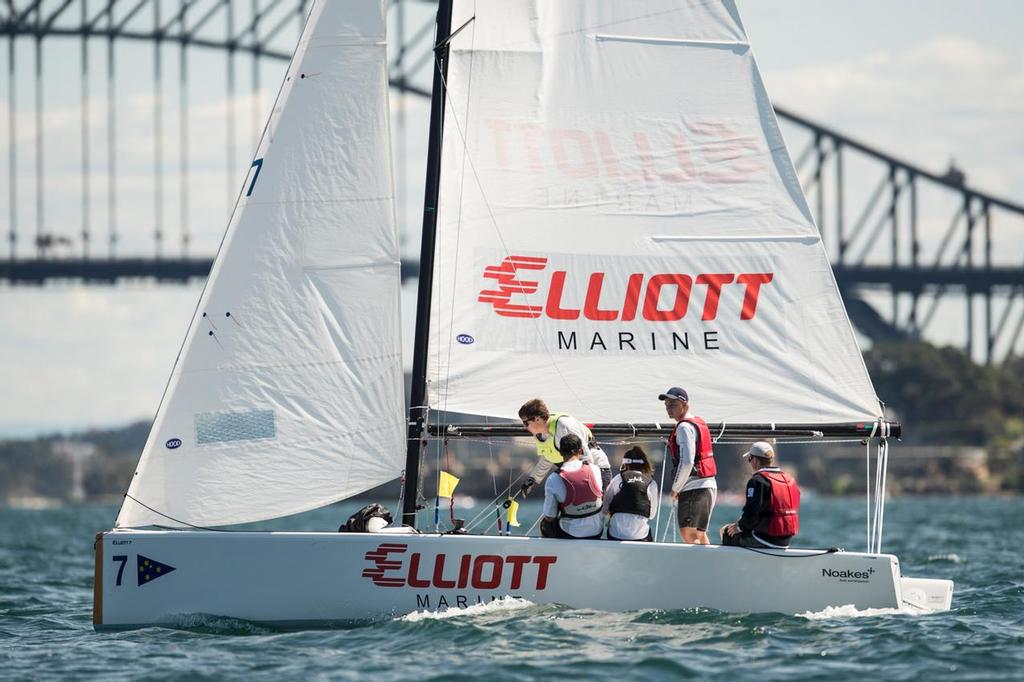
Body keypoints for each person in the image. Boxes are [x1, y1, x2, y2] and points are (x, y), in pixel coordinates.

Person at [518, 398, 612, 496]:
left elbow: (585, 457)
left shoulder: (565, 426)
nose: (525, 427)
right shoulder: (542, 434)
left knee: (598, 510)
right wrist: (533, 479)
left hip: (596, 470)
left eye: (526, 423)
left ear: (537, 419)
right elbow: (549, 457)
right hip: (575, 475)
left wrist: (586, 486)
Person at [659, 387, 717, 544]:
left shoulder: (684, 427)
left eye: (672, 405)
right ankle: (710, 566)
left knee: (689, 534)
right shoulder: (695, 423)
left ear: (684, 405)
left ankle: (700, 567)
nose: (668, 408)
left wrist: (676, 488)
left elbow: (687, 462)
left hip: (695, 487)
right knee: (698, 534)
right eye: (666, 405)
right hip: (706, 485)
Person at [720, 441, 800, 548]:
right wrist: (740, 523)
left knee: (726, 531)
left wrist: (738, 527)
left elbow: (751, 514)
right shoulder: (789, 479)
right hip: (785, 540)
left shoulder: (757, 481)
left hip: (764, 539)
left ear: (755, 460)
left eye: (750, 459)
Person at [539, 434, 605, 539]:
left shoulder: (553, 478)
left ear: (560, 452)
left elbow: (550, 516)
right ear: (581, 451)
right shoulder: (595, 469)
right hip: (597, 531)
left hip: (570, 533)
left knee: (545, 522)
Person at [603, 446, 658, 541]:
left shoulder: (618, 479)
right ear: (644, 464)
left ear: (625, 464)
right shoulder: (651, 483)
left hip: (616, 534)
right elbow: (652, 515)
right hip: (640, 536)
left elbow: (604, 509)